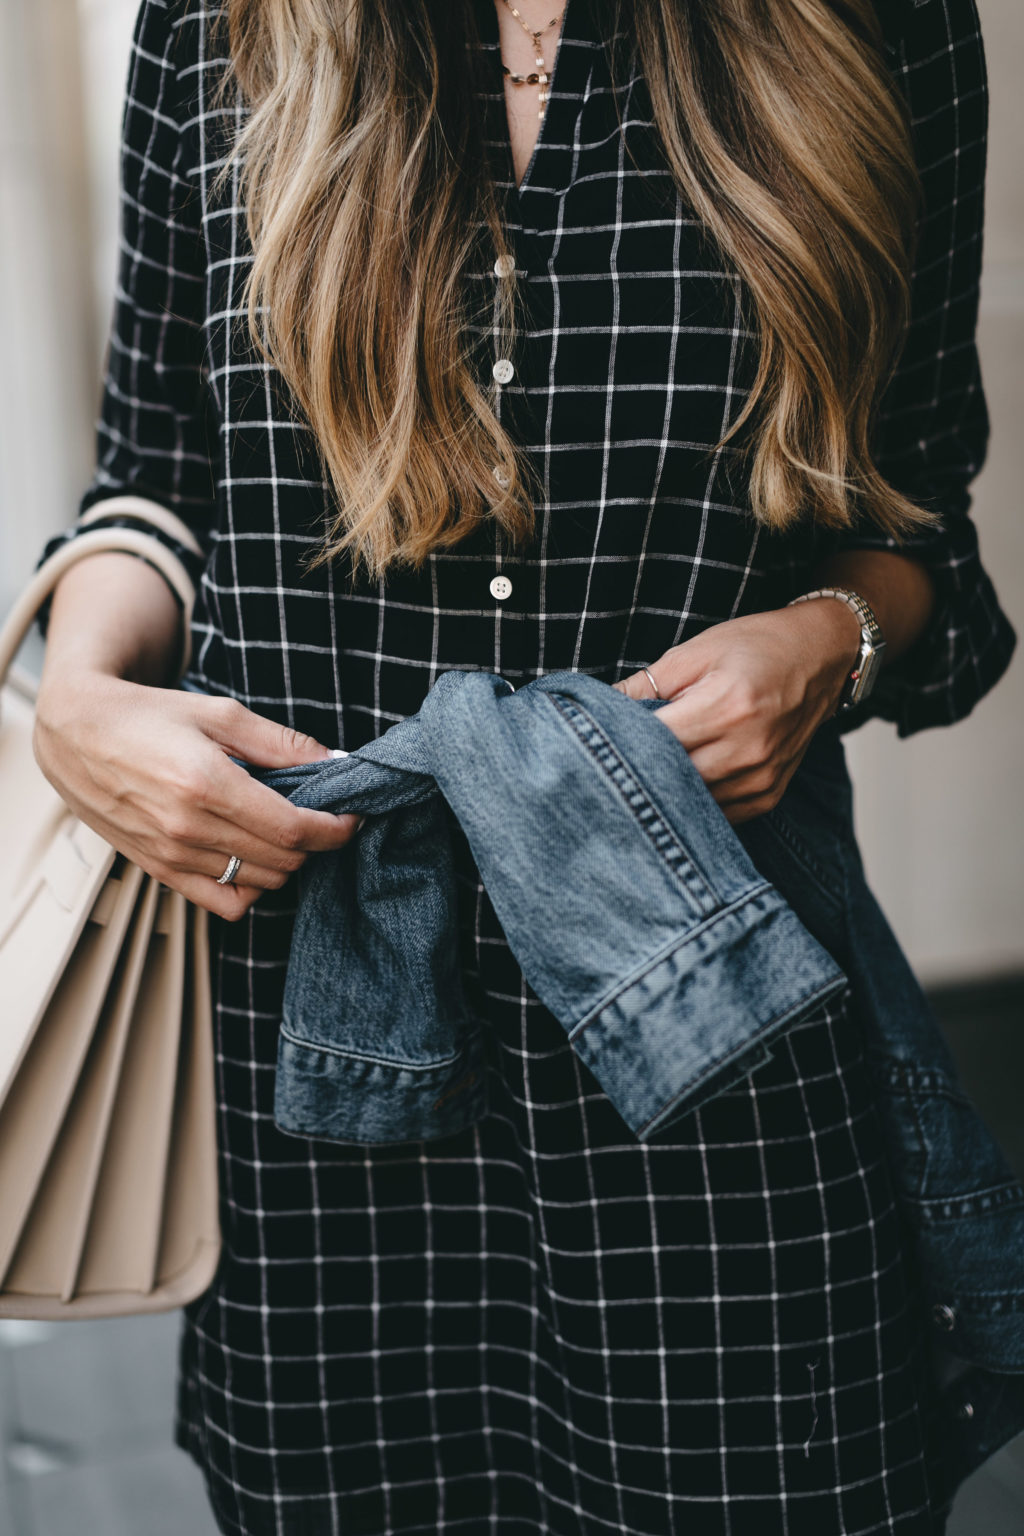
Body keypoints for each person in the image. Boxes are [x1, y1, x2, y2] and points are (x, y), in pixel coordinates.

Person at [32, 0, 1015, 1531]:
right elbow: (158, 469)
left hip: (714, 1030)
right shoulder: (220, 21)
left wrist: (831, 639)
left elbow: (915, 518)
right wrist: (78, 696)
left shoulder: (878, 24)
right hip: (318, 1051)